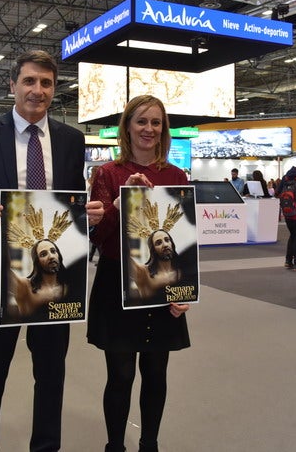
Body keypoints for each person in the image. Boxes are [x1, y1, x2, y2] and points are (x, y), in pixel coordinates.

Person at [0, 50, 104, 452]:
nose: (38, 90)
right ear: (12, 85)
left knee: (51, 377)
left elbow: (69, 207)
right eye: (29, 81)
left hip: (53, 283)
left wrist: (88, 216)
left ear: (54, 89)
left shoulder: (70, 139)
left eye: (46, 83)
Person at [88, 94, 190, 452]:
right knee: (120, 374)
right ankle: (114, 446)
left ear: (164, 130)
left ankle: (150, 444)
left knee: (156, 373)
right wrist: (120, 201)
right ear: (127, 127)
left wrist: (183, 292)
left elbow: (182, 243)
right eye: (141, 121)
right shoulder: (107, 174)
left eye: (156, 122)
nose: (149, 129)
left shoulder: (175, 176)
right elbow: (97, 238)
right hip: (117, 285)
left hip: (161, 287)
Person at [10, 238, 68, 319]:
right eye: (43, 254)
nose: (51, 256)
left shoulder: (68, 284)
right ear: (37, 262)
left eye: (53, 251)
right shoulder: (26, 286)